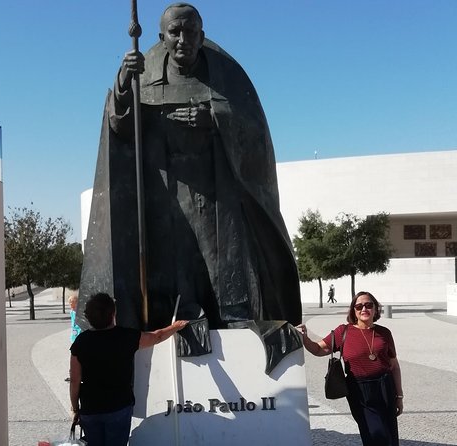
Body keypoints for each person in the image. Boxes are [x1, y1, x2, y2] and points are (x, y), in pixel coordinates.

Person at [79, 2, 301, 332]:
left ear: (201, 35)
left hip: (215, 197)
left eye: (190, 32)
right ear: (162, 37)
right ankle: (179, 324)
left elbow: (254, 133)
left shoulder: (226, 78)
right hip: (165, 198)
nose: (183, 38)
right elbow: (121, 128)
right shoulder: (144, 78)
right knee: (174, 271)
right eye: (175, 32)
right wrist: (125, 81)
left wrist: (213, 119)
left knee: (220, 268)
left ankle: (234, 326)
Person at [70, 292, 188, 445]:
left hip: (90, 408)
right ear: (113, 314)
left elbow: (74, 380)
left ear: (88, 316)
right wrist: (175, 327)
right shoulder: (126, 337)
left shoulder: (81, 342)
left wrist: (75, 408)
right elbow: (156, 336)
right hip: (119, 406)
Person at [297, 291, 403, 446]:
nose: (364, 309)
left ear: (375, 309)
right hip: (359, 391)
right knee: (374, 435)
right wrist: (305, 338)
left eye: (368, 305)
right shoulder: (343, 331)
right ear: (354, 310)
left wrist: (399, 396)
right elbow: (318, 350)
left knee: (390, 434)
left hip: (385, 387)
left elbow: (394, 366)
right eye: (359, 306)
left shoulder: (384, 333)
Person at [65, 295, 82, 382]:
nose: (70, 304)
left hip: (79, 334)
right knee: (74, 353)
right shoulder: (72, 312)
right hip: (74, 335)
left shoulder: (78, 312)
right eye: (69, 302)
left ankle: (76, 373)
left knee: (78, 354)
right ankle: (72, 373)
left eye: (72, 302)